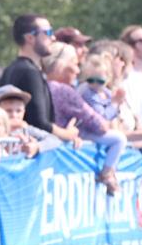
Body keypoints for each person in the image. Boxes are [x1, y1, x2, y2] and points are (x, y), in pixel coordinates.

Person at [43, 42, 126, 194]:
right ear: (61, 65)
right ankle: (107, 172)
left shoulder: (44, 85)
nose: (77, 70)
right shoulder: (64, 90)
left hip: (57, 146)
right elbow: (100, 124)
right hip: (59, 150)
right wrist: (114, 105)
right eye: (74, 64)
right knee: (119, 139)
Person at [0, 14, 79, 143]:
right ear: (30, 37)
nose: (53, 37)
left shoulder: (11, 68)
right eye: (48, 32)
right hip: (29, 150)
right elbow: (39, 122)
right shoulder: (29, 72)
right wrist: (67, 134)